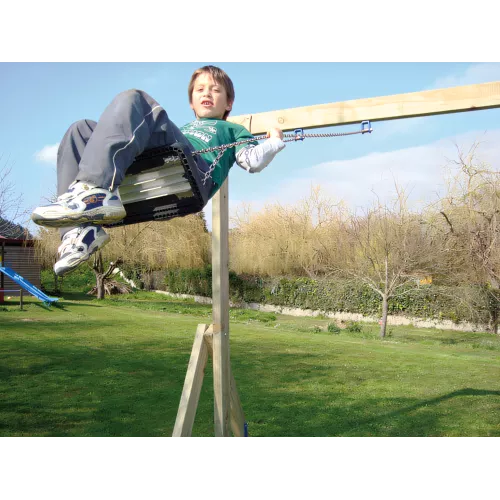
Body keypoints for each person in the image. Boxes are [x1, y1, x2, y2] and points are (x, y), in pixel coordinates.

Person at [31, 65, 286, 276]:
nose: (206, 93)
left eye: (215, 90)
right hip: (156, 161)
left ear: (228, 102)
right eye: (200, 89)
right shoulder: (185, 127)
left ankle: (94, 191)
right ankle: (78, 234)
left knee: (136, 100)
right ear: (191, 102)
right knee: (80, 129)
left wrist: (274, 140)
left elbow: (253, 161)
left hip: (194, 170)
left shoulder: (232, 130)